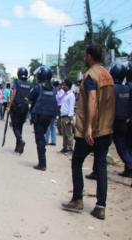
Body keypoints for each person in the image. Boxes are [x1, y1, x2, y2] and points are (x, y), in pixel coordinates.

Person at [62, 44, 115, 220]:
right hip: (107, 129)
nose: (84, 58)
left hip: (92, 131)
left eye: (85, 55)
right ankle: (100, 207)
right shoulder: (108, 75)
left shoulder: (91, 75)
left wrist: (89, 127)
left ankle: (77, 199)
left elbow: (93, 99)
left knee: (76, 161)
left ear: (90, 56)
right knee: (101, 167)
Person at [28, 66, 57, 171]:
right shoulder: (54, 89)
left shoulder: (38, 87)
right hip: (49, 117)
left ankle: (42, 163)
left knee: (39, 139)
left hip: (39, 116)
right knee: (43, 137)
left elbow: (30, 99)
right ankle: (42, 159)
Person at [110, 64, 132, 178]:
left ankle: (130, 166)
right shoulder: (126, 88)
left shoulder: (112, 88)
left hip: (114, 121)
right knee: (125, 147)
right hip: (124, 121)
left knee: (121, 148)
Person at [8, 67, 31, 154]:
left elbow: (14, 93)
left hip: (17, 107)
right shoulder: (29, 84)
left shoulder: (16, 82)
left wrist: (9, 105)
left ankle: (20, 141)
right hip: (25, 108)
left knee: (14, 126)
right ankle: (18, 147)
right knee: (20, 126)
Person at [59, 79, 76, 155]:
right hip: (63, 116)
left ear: (68, 86)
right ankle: (65, 147)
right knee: (64, 133)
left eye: (64, 85)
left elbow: (71, 107)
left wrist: (70, 118)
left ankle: (70, 149)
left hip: (67, 117)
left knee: (69, 133)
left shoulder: (71, 95)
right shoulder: (66, 95)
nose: (63, 86)